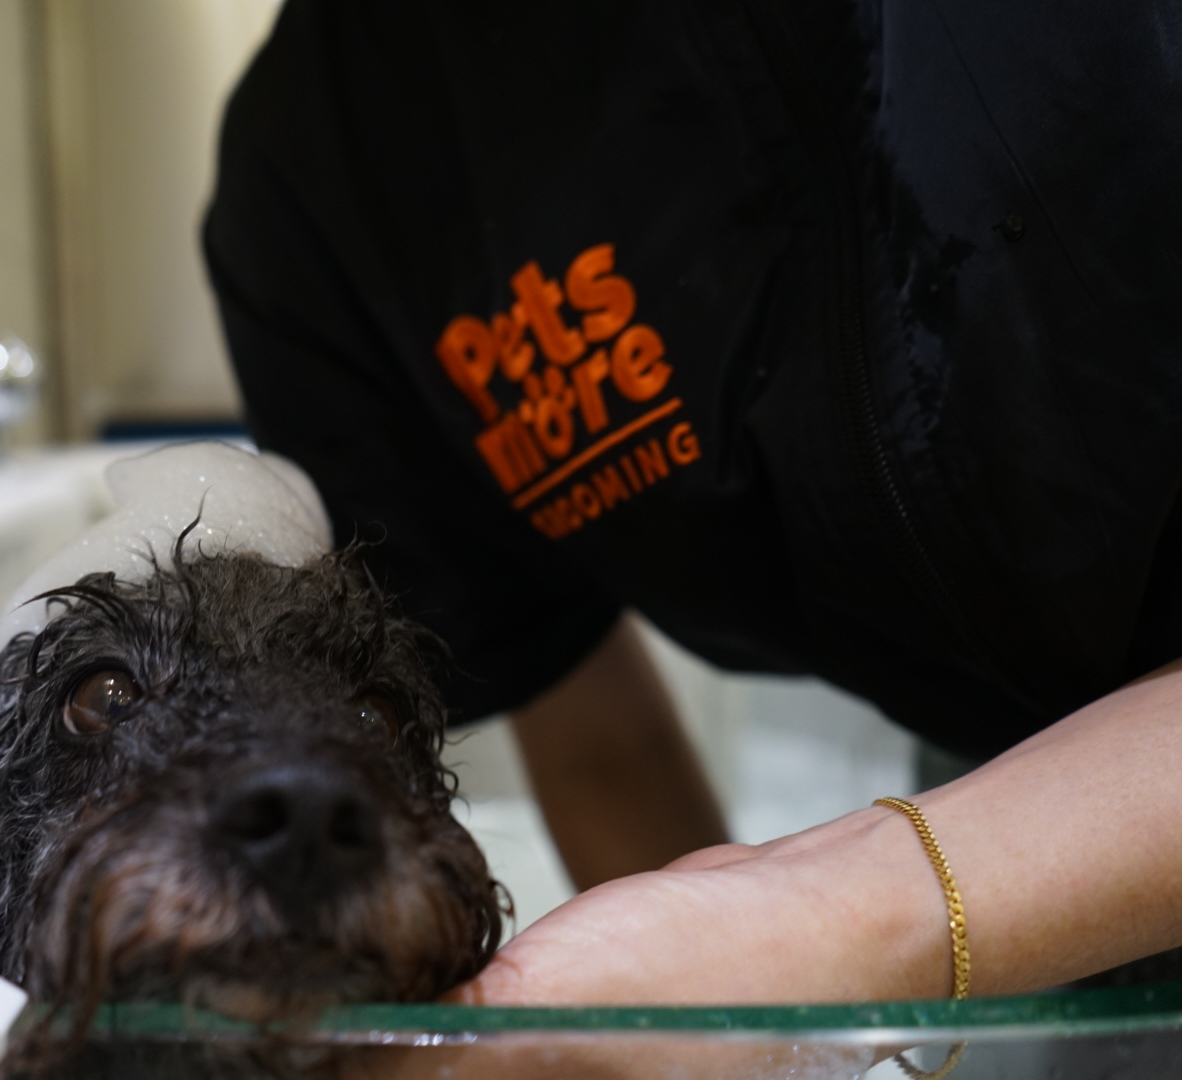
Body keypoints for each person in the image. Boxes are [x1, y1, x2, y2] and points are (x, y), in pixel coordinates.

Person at [201, 0, 1182, 1014]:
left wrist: (853, 915)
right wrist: (731, 1028)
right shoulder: (320, 183)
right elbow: (593, 739)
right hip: (1018, 790)